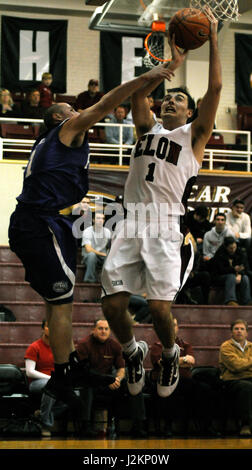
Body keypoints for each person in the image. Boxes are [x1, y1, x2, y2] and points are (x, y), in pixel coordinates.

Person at [8, 63, 175, 418]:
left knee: (58, 300)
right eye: (69, 109)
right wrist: (145, 80)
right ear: (58, 118)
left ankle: (67, 371)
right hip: (40, 224)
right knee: (62, 297)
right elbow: (102, 106)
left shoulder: (50, 142)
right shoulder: (66, 130)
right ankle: (65, 373)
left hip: (50, 222)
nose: (75, 111)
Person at [101, 8, 222, 400]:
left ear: (190, 113)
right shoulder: (144, 127)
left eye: (179, 100)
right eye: (168, 98)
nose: (171, 101)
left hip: (167, 226)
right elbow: (138, 92)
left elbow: (216, 90)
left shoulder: (194, 136)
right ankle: (134, 351)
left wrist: (214, 38)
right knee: (113, 305)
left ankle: (169, 353)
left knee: (158, 309)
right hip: (131, 222)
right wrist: (165, 66)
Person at [150, 318, 217, 436]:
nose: (171, 327)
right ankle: (167, 427)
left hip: (184, 381)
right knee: (169, 390)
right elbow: (161, 363)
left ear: (177, 328)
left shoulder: (185, 345)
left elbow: (191, 361)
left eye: (174, 325)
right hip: (164, 380)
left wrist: (172, 360)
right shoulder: (157, 345)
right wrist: (183, 359)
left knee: (205, 389)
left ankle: (206, 427)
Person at [76, 318, 126, 437]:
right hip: (89, 380)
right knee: (86, 385)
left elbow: (121, 369)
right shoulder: (84, 344)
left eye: (106, 329)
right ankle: (85, 426)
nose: (103, 331)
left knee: (122, 386)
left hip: (107, 382)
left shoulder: (115, 345)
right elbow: (85, 371)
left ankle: (113, 425)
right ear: (93, 330)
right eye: (100, 328)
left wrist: (117, 379)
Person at [24, 320, 67, 437]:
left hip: (55, 381)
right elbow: (29, 372)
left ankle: (41, 414)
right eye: (49, 326)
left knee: (76, 394)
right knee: (52, 386)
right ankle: (45, 425)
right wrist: (51, 378)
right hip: (36, 383)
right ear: (43, 328)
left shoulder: (60, 348)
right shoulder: (34, 347)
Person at [219, 318, 252, 435]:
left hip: (249, 378)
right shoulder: (226, 346)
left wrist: (245, 363)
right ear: (231, 332)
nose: (239, 331)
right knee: (246, 387)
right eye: (236, 329)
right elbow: (235, 366)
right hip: (232, 381)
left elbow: (240, 364)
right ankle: (245, 425)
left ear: (247, 333)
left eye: (242, 329)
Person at [211, 236, 252, 306]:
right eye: (231, 248)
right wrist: (233, 270)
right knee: (231, 277)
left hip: (237, 275)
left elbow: (246, 267)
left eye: (234, 247)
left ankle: (247, 301)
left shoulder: (240, 252)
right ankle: (231, 300)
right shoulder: (220, 254)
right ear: (226, 247)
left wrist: (240, 274)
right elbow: (219, 270)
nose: (233, 250)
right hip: (221, 276)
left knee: (245, 278)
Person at [81, 212, 111, 283]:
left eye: (102, 218)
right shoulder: (87, 231)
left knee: (111, 257)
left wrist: (108, 255)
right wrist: (104, 254)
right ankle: (89, 280)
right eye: (98, 218)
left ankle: (108, 281)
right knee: (92, 255)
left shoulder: (107, 232)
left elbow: (110, 247)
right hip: (89, 256)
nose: (101, 220)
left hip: (102, 257)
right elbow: (88, 249)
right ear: (93, 220)